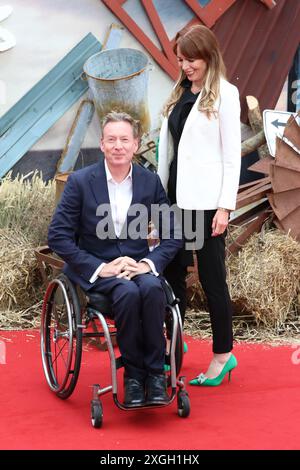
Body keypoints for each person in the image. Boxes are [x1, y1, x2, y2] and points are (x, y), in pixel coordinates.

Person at [48, 111, 182, 406]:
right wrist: (101, 267)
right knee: (127, 293)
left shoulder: (149, 183)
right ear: (102, 144)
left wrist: (147, 263)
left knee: (150, 288)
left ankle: (156, 374)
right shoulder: (81, 182)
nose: (118, 146)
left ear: (136, 144)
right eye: (112, 140)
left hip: (137, 264)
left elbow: (173, 234)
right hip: (99, 268)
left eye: (125, 139)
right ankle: (134, 376)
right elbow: (57, 237)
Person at [157, 24, 241, 386]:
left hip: (206, 205)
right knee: (170, 276)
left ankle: (223, 356)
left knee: (211, 280)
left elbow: (231, 156)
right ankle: (173, 347)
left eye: (191, 59)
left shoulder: (226, 93)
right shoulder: (178, 92)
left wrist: (225, 206)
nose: (185, 66)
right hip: (173, 200)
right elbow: (169, 152)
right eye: (180, 59)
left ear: (208, 56)